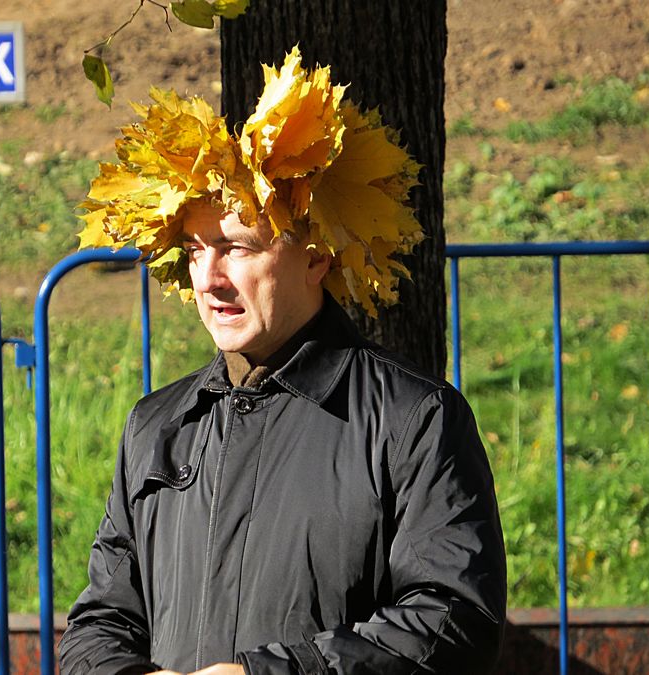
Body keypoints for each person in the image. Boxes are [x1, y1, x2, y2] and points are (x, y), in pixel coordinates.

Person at [60, 48, 506, 675]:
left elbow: (452, 622)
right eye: (193, 250)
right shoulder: (156, 426)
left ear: (317, 257)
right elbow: (100, 623)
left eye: (236, 247)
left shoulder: (415, 420)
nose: (208, 279)